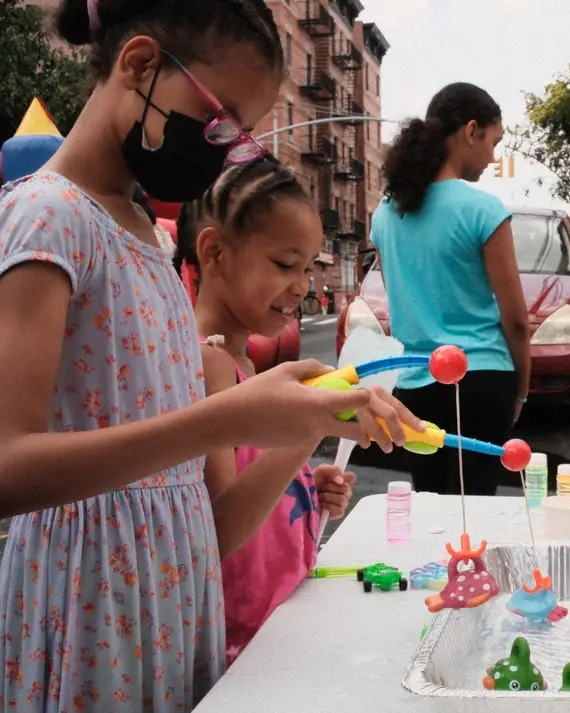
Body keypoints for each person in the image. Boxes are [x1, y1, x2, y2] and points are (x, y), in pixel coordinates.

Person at [0, 0, 419, 710]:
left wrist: (301, 421)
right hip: (89, 610)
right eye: (221, 121)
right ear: (138, 65)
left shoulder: (143, 236)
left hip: (167, 613)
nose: (224, 149)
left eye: (243, 137)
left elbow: (211, 520)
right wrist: (223, 419)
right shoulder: (49, 216)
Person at [174, 158, 356, 666]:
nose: (301, 286)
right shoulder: (206, 361)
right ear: (214, 253)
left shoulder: (244, 362)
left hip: (276, 620)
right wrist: (309, 429)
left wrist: (304, 487)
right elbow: (221, 531)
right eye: (284, 264)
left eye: (308, 268)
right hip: (240, 642)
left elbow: (252, 474)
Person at [371, 82, 530, 497]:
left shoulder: (386, 214)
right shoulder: (483, 209)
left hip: (417, 385)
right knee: (474, 508)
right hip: (481, 380)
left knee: (430, 511)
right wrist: (522, 391)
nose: (494, 158)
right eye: (493, 143)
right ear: (471, 131)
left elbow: (398, 303)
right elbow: (515, 321)